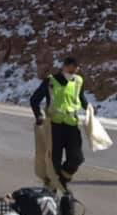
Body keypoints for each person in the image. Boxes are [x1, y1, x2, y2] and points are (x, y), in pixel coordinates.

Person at [30, 56, 90, 190]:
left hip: (72, 125)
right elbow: (34, 100)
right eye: (70, 68)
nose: (73, 71)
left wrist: (89, 109)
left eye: (76, 69)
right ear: (64, 66)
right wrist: (38, 116)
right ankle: (52, 189)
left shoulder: (78, 81)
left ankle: (61, 180)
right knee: (53, 163)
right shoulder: (50, 81)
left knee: (77, 158)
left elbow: (81, 98)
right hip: (54, 127)